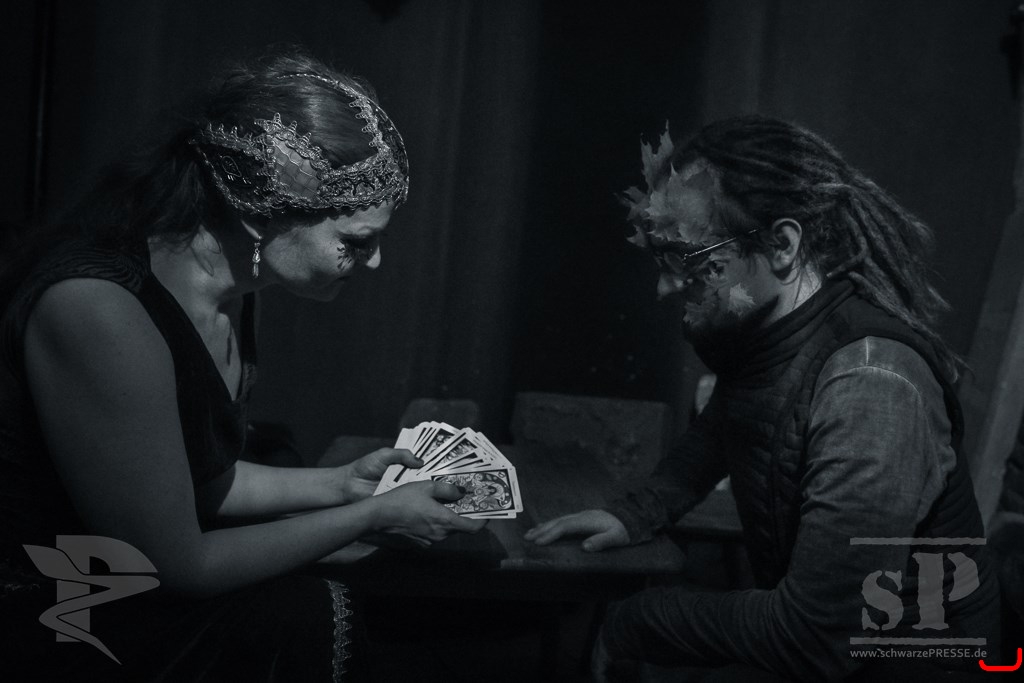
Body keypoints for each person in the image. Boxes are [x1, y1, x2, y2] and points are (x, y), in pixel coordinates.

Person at [0, 48, 484, 682]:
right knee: (308, 613)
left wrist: (341, 485)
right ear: (257, 215)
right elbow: (176, 564)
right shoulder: (100, 310)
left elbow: (199, 481)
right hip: (59, 607)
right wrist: (371, 516)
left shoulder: (235, 291)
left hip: (131, 582)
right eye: (355, 242)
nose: (374, 263)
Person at [525, 116, 1002, 681]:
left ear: (781, 245)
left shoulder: (870, 387)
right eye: (661, 259)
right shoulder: (772, 336)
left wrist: (640, 621)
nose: (665, 287)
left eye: (689, 259)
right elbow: (723, 429)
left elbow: (818, 637)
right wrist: (634, 514)